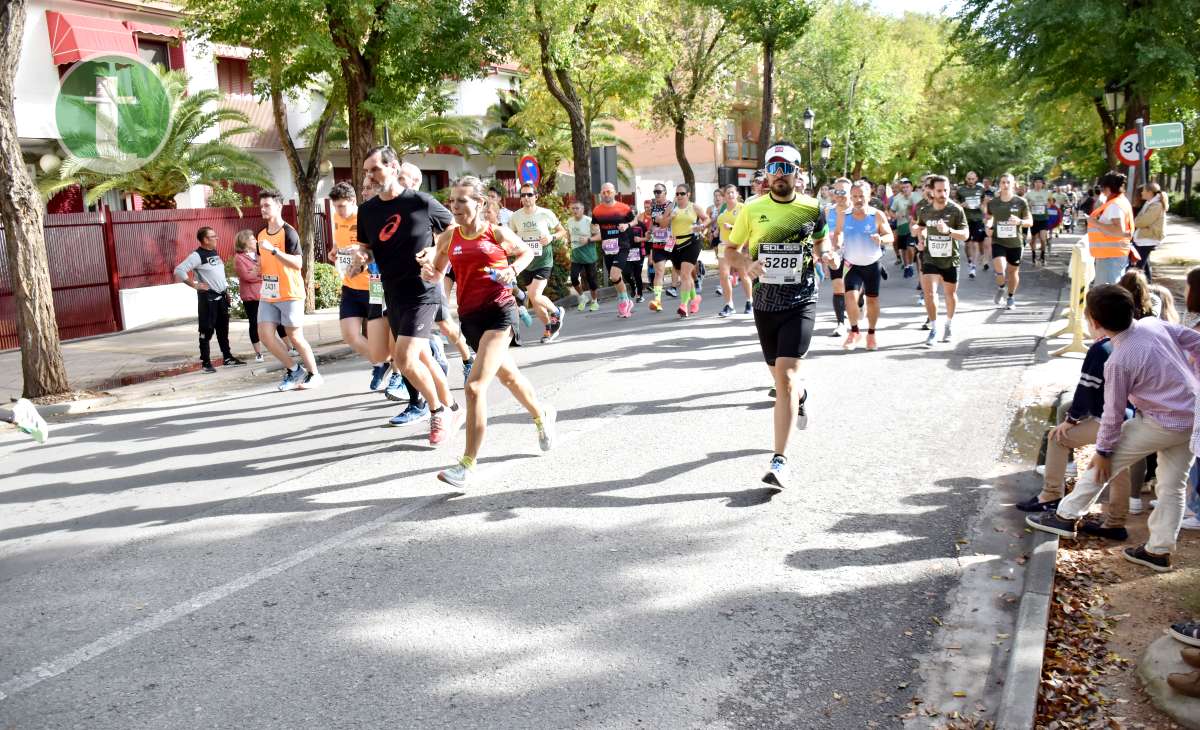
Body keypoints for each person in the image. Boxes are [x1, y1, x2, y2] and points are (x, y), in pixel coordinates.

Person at [1027, 285, 1200, 573]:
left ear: (1094, 322)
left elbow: (1113, 414)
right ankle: (1158, 551)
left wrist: (1105, 450)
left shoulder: (1118, 361)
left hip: (1160, 421)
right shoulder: (1153, 324)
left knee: (1103, 464)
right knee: (1173, 487)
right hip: (1192, 417)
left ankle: (1066, 516)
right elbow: (1196, 340)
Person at [422, 176, 556, 488]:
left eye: (463, 200)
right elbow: (440, 274)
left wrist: (513, 269)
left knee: (474, 387)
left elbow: (526, 252)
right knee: (508, 377)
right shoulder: (448, 238)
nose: (455, 206)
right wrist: (430, 277)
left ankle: (467, 464)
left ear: (480, 204)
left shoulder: (495, 232)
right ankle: (541, 414)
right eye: (452, 200)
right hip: (470, 318)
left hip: (500, 312)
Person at [725, 141, 828, 489]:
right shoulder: (751, 210)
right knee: (781, 381)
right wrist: (747, 264)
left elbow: (820, 244)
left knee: (784, 378)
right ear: (766, 173)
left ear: (797, 173)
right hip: (765, 304)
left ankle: (779, 461)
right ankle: (801, 396)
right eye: (773, 168)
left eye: (786, 169)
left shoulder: (813, 209)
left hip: (802, 300)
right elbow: (729, 251)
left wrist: (825, 257)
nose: (779, 175)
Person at [354, 146, 461, 443]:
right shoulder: (368, 211)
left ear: (393, 167)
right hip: (393, 292)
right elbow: (366, 246)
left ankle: (437, 411)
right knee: (423, 357)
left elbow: (454, 229)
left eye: (375, 169)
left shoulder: (421, 202)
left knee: (404, 359)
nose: (370, 176)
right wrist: (359, 257)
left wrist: (435, 250)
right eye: (366, 172)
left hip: (423, 290)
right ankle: (453, 406)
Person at [1017, 333, 1132, 540]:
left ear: (1094, 321)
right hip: (1130, 418)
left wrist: (1071, 419)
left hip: (1107, 420)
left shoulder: (1101, 348)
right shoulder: (1132, 342)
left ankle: (1051, 495)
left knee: (1058, 438)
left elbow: (1086, 388)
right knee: (1120, 468)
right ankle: (1116, 521)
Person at [325, 181, 391, 390]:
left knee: (384, 336)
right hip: (350, 284)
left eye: (342, 206)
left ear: (353, 201)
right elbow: (339, 242)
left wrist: (359, 248)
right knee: (350, 335)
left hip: (374, 285)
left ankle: (398, 367)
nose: (338, 211)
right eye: (335, 206)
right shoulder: (336, 217)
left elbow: (379, 247)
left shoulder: (367, 217)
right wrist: (335, 251)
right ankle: (382, 363)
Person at [255, 191, 321, 390]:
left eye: (266, 205)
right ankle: (294, 370)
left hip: (290, 292)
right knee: (265, 335)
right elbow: (262, 261)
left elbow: (298, 263)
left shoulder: (288, 232)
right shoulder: (260, 234)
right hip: (268, 293)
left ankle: (314, 374)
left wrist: (274, 251)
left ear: (278, 206)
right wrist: (257, 267)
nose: (263, 209)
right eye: (261, 206)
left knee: (295, 336)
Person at [174, 227, 245, 373]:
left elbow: (218, 273)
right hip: (208, 299)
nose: (216, 238)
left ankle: (227, 358)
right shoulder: (197, 255)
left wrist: (225, 291)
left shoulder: (213, 252)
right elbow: (179, 270)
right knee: (206, 330)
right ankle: (206, 363)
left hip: (221, 298)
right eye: (213, 236)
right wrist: (194, 285)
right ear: (205, 240)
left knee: (223, 329)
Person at [833, 180, 893, 351]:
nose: (858, 200)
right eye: (855, 196)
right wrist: (837, 245)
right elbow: (837, 234)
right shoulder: (844, 215)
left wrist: (881, 239)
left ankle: (871, 334)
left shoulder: (877, 215)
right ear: (851, 197)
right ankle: (854, 332)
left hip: (872, 265)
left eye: (861, 196)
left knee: (872, 300)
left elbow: (890, 236)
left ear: (869, 196)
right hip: (852, 265)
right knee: (850, 297)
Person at [911, 175, 969, 346]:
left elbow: (965, 235)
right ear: (932, 191)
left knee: (950, 294)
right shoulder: (925, 210)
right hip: (930, 258)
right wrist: (919, 238)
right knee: (930, 293)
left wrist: (949, 231)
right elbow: (921, 227)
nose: (943, 194)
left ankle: (949, 324)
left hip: (950, 259)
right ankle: (934, 328)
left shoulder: (956, 210)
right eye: (939, 191)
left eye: (946, 190)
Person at [509, 183, 568, 342]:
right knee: (535, 301)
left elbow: (562, 231)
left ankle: (556, 311)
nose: (526, 198)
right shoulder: (516, 216)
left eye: (529, 195)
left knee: (535, 295)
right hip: (525, 261)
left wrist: (551, 237)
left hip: (544, 260)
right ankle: (549, 328)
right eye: (523, 195)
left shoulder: (545, 213)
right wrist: (513, 247)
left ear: (536, 196)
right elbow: (511, 237)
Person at [591, 182, 638, 318]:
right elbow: (594, 224)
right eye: (604, 192)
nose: (606, 194)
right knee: (615, 277)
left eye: (609, 192)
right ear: (601, 193)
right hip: (607, 247)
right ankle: (626, 300)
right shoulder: (597, 210)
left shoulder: (623, 208)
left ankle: (624, 301)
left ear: (614, 192)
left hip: (622, 246)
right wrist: (594, 229)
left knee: (615, 274)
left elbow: (635, 220)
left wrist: (627, 225)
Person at [986, 173, 1032, 311]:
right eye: (1003, 182)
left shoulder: (1021, 202)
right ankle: (1001, 287)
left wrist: (1020, 222)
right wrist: (987, 226)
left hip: (1015, 243)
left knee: (1013, 272)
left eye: (1008, 182)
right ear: (999, 184)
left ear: (1013, 185)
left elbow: (1030, 222)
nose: (1005, 185)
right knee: (1000, 268)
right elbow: (989, 217)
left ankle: (1010, 297)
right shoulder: (993, 202)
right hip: (998, 240)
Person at [665, 184, 710, 318]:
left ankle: (683, 305)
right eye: (677, 194)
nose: (679, 196)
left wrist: (701, 226)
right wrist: (670, 217)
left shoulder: (694, 207)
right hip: (674, 243)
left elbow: (706, 219)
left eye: (682, 193)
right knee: (685, 276)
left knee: (685, 274)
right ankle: (695, 298)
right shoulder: (671, 207)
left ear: (688, 194)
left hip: (691, 242)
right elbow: (661, 223)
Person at [1087, 172, 1135, 286]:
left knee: (1107, 292)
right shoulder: (1121, 201)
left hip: (1110, 256)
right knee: (1111, 290)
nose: (1102, 191)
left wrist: (1096, 223)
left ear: (1108, 188)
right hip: (1113, 254)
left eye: (1102, 188)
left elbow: (1118, 230)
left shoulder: (1114, 205)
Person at [716, 184, 753, 317]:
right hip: (723, 246)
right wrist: (715, 232)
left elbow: (748, 227)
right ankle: (729, 305)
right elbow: (720, 227)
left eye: (732, 192)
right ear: (724, 197)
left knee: (744, 275)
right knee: (724, 276)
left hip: (739, 246)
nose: (730, 195)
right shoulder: (723, 210)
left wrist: (732, 227)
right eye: (728, 193)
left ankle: (750, 301)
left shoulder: (743, 208)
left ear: (737, 194)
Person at [824, 178, 853, 337]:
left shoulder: (857, 210)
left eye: (843, 192)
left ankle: (858, 303)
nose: (840, 195)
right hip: (835, 254)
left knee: (853, 289)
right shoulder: (828, 211)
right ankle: (841, 323)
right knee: (838, 287)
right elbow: (821, 234)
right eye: (837, 191)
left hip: (855, 254)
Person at [566, 200, 600, 312]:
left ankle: (595, 301)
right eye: (573, 208)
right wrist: (568, 241)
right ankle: (583, 297)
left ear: (582, 209)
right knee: (574, 277)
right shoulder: (569, 221)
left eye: (577, 208)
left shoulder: (589, 221)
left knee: (591, 280)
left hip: (589, 255)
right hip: (576, 255)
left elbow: (600, 236)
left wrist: (589, 239)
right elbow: (569, 233)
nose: (575, 210)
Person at [955, 171, 987, 279]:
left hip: (977, 219)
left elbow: (984, 203)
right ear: (966, 179)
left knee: (975, 243)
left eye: (973, 179)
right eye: (969, 179)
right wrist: (961, 205)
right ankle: (970, 261)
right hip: (965, 220)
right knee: (967, 243)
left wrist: (982, 207)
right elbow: (955, 204)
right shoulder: (961, 190)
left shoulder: (980, 190)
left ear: (976, 179)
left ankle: (973, 266)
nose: (971, 181)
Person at [1132, 182, 1167, 281]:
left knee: (1137, 268)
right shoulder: (1150, 204)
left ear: (1150, 192)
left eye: (1143, 191)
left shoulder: (1156, 205)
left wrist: (1139, 223)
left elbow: (1141, 222)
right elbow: (1140, 221)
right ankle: (1148, 286)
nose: (1141, 193)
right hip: (1145, 239)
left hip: (1147, 239)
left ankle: (1139, 288)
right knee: (1144, 266)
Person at [889, 178, 920, 278]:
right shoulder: (897, 198)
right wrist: (896, 216)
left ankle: (910, 265)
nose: (905, 189)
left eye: (907, 187)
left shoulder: (917, 196)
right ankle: (907, 266)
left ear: (911, 187)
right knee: (903, 249)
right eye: (903, 187)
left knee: (910, 247)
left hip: (913, 226)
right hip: (901, 226)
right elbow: (891, 212)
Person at [1025, 176, 1053, 265]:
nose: (1038, 184)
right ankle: (1033, 256)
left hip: (1043, 218)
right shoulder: (1029, 194)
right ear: (1034, 184)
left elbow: (1051, 203)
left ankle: (1042, 257)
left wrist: (1047, 204)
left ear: (1042, 184)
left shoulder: (1047, 193)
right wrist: (1029, 204)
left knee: (1043, 239)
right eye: (1036, 182)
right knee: (1033, 240)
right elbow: (1024, 204)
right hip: (1034, 219)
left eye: (1040, 182)